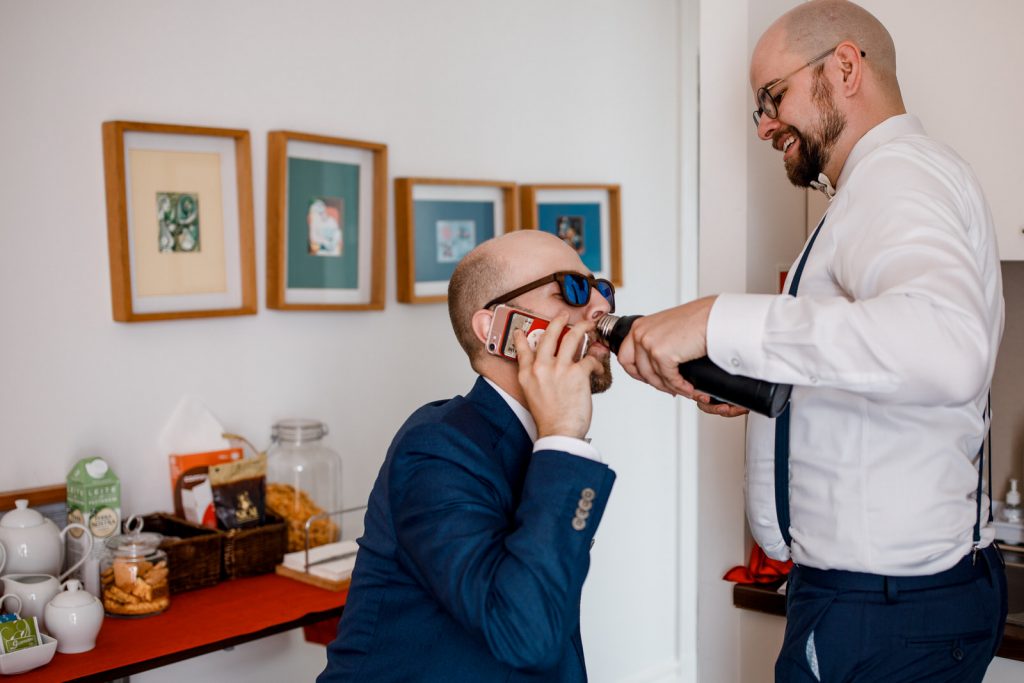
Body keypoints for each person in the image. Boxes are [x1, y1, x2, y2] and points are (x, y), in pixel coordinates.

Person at [618, 1, 1007, 681]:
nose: (766, 125)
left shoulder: (899, 180)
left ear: (846, 68)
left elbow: (945, 347)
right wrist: (767, 384)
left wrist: (718, 318)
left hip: (881, 610)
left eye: (773, 97)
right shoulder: (872, 191)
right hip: (873, 601)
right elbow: (876, 363)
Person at [318, 230, 617, 682]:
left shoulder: (536, 441)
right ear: (497, 328)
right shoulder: (436, 449)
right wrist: (564, 436)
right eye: (572, 288)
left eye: (601, 288)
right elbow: (525, 635)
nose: (601, 306)